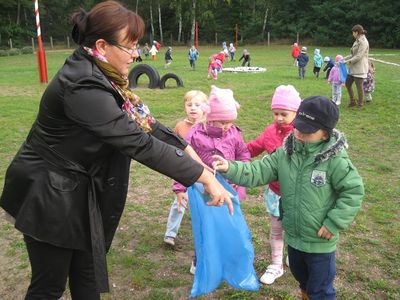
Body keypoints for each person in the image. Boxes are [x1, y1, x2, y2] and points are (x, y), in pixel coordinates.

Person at [0, 2, 234, 299]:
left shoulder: (105, 75)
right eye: (130, 46)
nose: (136, 54)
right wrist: (203, 176)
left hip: (75, 192)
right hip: (48, 196)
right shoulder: (82, 84)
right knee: (49, 286)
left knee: (87, 275)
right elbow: (137, 141)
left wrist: (186, 147)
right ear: (101, 44)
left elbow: (145, 123)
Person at [213, 96, 364, 300]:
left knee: (320, 290)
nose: (300, 134)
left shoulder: (335, 161)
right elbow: (259, 170)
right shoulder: (285, 153)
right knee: (302, 279)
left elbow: (353, 191)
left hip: (319, 241)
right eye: (298, 127)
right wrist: (230, 167)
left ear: (325, 134)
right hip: (293, 237)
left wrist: (334, 222)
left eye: (308, 131)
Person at [173, 85, 251, 274]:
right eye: (221, 122)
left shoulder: (234, 132)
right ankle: (200, 260)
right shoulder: (195, 134)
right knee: (206, 228)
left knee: (228, 225)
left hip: (230, 188)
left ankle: (226, 258)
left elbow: (243, 154)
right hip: (203, 190)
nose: (226, 126)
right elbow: (183, 161)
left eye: (229, 122)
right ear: (209, 117)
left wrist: (241, 176)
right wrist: (180, 188)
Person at [246, 85, 301, 285]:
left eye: (283, 114)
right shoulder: (269, 132)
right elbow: (253, 147)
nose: (278, 117)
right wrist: (234, 155)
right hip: (275, 193)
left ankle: (293, 256)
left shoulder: (302, 134)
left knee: (295, 228)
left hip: (298, 194)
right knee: (276, 229)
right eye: (275, 113)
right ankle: (276, 265)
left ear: (296, 112)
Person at [163, 90, 208, 247]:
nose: (193, 108)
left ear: (206, 108)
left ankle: (206, 233)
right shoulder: (180, 126)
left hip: (204, 173)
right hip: (184, 170)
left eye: (197, 105)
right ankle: (170, 233)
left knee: (205, 203)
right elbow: (173, 146)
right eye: (189, 105)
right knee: (180, 201)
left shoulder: (207, 127)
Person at [343, 24, 369, 107]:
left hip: (360, 68)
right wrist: (345, 58)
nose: (352, 34)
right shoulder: (357, 40)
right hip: (353, 68)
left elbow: (359, 56)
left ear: (356, 32)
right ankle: (352, 101)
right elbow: (354, 54)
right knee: (347, 84)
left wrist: (348, 62)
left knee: (359, 87)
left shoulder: (363, 42)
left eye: (353, 32)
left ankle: (360, 104)